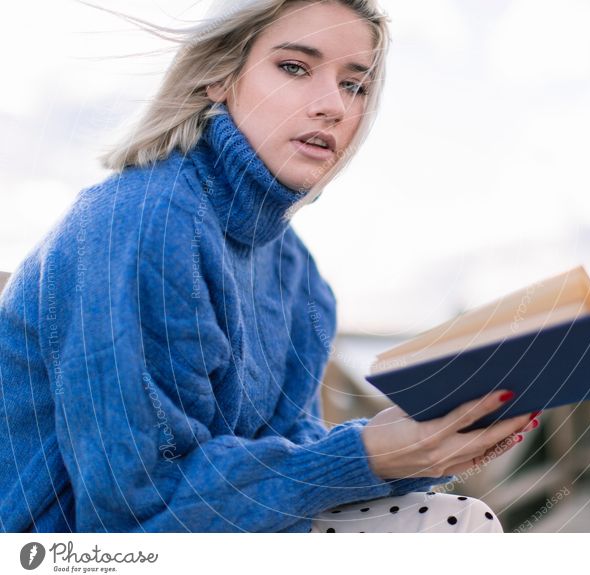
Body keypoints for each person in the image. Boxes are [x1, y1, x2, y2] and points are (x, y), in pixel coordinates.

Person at [0, 0, 539, 533]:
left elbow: (284, 461)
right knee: (444, 528)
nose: (333, 105)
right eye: (295, 68)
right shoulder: (140, 225)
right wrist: (371, 455)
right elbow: (137, 510)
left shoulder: (299, 276)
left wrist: (411, 446)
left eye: (355, 84)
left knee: (456, 521)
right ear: (220, 75)